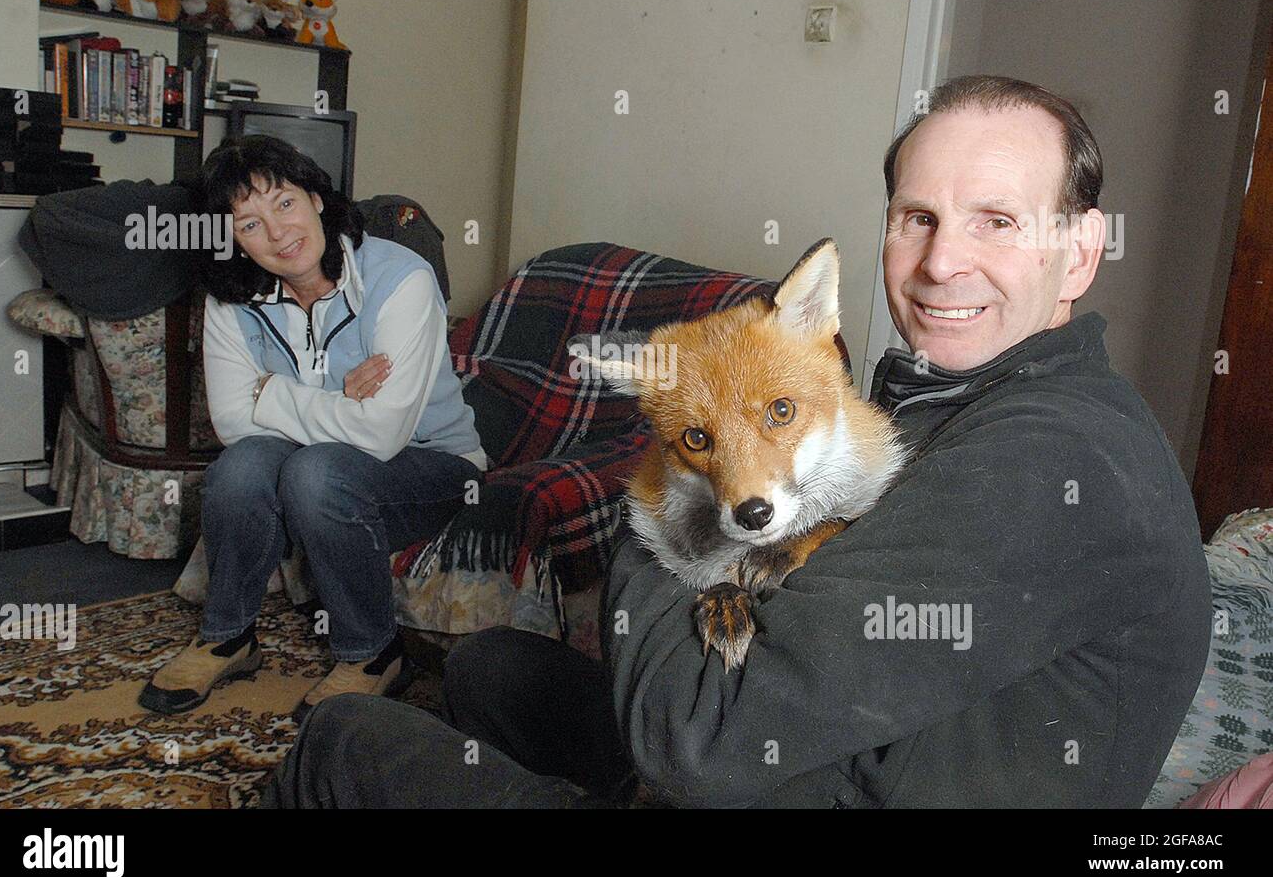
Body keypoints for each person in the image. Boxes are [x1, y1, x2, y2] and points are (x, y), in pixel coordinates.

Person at [262, 75, 1212, 807]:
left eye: (997, 222)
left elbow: (699, 734)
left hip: (769, 768)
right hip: (833, 757)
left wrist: (671, 483)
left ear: (1081, 250)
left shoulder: (1051, 459)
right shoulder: (972, 396)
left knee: (342, 738)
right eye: (918, 217)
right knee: (486, 668)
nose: (941, 262)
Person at [139, 135, 486, 723]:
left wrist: (270, 392)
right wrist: (337, 397)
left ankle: (374, 654)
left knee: (313, 471)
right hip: (320, 454)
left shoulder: (402, 279)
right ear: (232, 239)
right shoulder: (230, 298)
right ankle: (228, 637)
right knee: (241, 467)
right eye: (248, 224)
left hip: (435, 463)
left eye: (284, 204)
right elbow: (230, 422)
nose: (277, 234)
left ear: (317, 199)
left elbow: (381, 436)